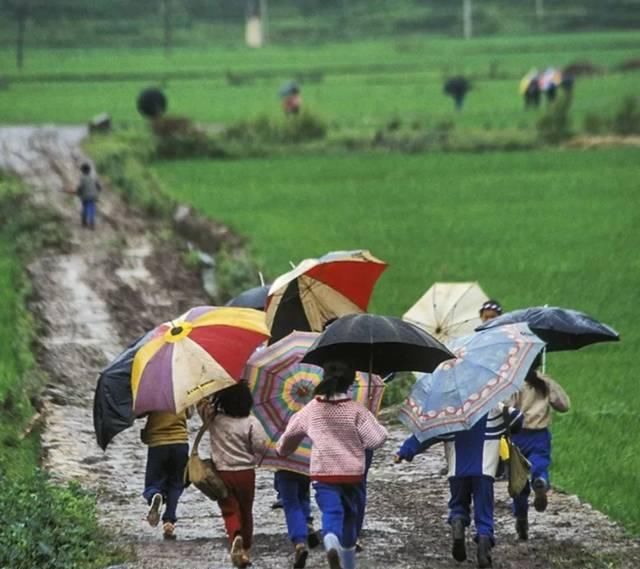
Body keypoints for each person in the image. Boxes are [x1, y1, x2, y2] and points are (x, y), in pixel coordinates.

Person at [277, 360, 388, 569]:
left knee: (331, 512)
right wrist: (375, 426)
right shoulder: (356, 410)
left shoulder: (312, 410)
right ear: (350, 382)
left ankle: (330, 540)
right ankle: (347, 562)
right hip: (353, 474)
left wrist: (282, 449)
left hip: (324, 474)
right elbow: (375, 440)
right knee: (350, 516)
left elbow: (289, 436)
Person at [395, 403, 523, 569]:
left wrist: (405, 451)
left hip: (457, 470)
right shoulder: (492, 406)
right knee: (484, 510)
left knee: (458, 505)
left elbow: (426, 435)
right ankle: (484, 544)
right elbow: (518, 419)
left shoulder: (449, 413)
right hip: (484, 470)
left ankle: (458, 522)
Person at [202, 382, 268, 568]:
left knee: (229, 510)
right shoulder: (251, 422)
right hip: (246, 473)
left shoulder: (215, 419)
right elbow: (261, 446)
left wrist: (209, 398)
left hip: (222, 473)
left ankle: (235, 536)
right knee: (246, 511)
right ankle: (246, 550)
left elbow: (202, 408)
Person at [507, 358, 570, 540]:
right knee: (539, 463)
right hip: (540, 435)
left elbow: (507, 409)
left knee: (517, 480)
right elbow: (564, 405)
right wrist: (549, 383)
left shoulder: (515, 383)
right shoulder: (544, 382)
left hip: (517, 435)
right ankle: (540, 480)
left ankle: (521, 519)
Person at [141, 410, 190, 540]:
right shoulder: (182, 391)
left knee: (153, 481)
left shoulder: (152, 393)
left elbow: (139, 412)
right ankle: (169, 521)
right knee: (176, 484)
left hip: (158, 444)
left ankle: (155, 495)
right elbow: (189, 414)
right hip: (180, 443)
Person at [274, 469, 322, 568]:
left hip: (285, 468)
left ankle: (299, 542)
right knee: (303, 497)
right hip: (303, 467)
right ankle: (307, 523)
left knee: (291, 505)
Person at [76, 162, 101, 229]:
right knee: (92, 209)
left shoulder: (82, 178)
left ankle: (84, 223)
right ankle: (92, 223)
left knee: (85, 208)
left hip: (86, 197)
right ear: (89, 170)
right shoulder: (94, 177)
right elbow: (99, 187)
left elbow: (80, 188)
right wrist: (97, 192)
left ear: (82, 171)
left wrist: (78, 192)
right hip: (94, 196)